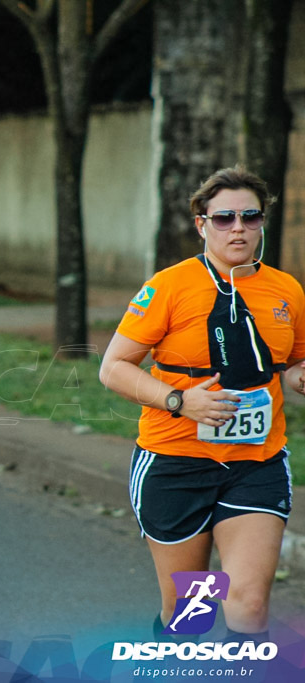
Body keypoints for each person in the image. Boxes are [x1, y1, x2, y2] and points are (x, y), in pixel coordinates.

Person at [99, 165, 305, 645]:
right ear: (202, 224)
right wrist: (178, 400)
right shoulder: (169, 286)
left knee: (248, 605)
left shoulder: (286, 290)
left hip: (256, 462)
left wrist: (299, 375)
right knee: (190, 616)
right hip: (175, 463)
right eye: (225, 217)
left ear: (262, 223)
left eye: (250, 217)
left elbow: (293, 361)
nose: (238, 228)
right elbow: (113, 367)